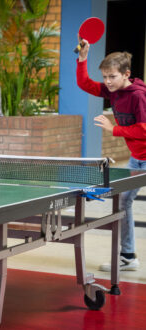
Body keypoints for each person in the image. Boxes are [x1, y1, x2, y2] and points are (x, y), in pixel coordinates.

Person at [76, 38, 146, 271]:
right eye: (105, 77)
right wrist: (83, 58)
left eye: (112, 77)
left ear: (126, 74)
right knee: (124, 201)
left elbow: (144, 129)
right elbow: (85, 84)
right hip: (138, 158)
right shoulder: (113, 90)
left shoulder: (138, 96)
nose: (107, 82)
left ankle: (127, 255)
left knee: (124, 201)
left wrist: (113, 129)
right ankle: (128, 256)